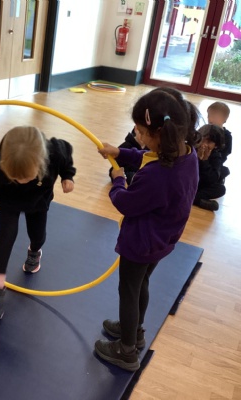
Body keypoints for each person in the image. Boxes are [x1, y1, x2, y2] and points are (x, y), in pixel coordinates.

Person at [94, 89, 199, 371]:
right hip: (163, 238)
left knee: (128, 289)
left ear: (159, 134)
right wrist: (120, 153)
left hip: (140, 243)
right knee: (141, 283)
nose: (137, 136)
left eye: (141, 132)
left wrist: (118, 180)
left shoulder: (157, 175)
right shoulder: (185, 154)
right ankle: (135, 331)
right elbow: (146, 156)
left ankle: (126, 350)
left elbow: (125, 203)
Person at [0, 126, 76, 319]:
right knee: (6, 234)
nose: (21, 180)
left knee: (38, 235)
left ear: (41, 162)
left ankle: (34, 251)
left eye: (26, 176)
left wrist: (67, 175)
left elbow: (67, 153)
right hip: (9, 201)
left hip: (39, 200)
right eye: (14, 177)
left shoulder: (54, 152)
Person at [193, 124, 226, 211]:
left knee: (221, 189)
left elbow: (211, 179)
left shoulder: (216, 156)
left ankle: (192, 198)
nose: (204, 144)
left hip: (201, 185)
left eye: (209, 142)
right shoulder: (192, 149)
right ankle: (198, 201)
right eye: (203, 140)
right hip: (189, 182)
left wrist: (204, 161)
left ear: (216, 145)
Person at [207, 101, 232, 180]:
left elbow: (227, 151)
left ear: (224, 120)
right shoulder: (206, 130)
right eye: (209, 115)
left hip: (216, 162)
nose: (210, 119)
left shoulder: (227, 136)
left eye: (214, 117)